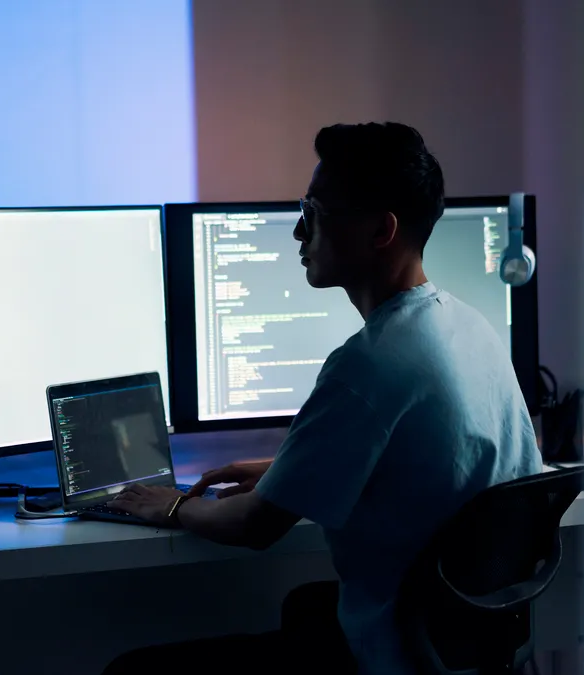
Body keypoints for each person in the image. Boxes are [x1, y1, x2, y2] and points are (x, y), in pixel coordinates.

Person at [102, 122, 542, 674]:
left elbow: (253, 527)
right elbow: (430, 459)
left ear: (381, 231)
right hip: (466, 641)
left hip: (402, 653)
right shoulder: (469, 325)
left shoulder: (367, 364)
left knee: (133, 671)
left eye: (313, 211)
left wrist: (172, 505)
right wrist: (292, 467)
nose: (296, 232)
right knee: (304, 607)